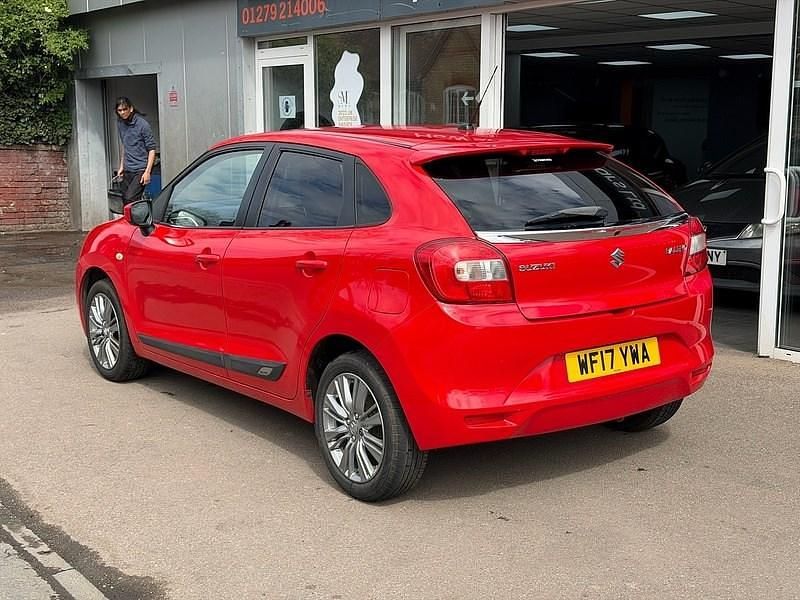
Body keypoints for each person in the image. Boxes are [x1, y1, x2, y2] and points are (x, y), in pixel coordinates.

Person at [115, 97, 157, 204]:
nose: (123, 112)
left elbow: (152, 149)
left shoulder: (142, 125)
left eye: (125, 109)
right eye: (120, 110)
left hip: (141, 168)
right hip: (128, 167)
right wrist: (121, 166)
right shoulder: (120, 123)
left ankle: (137, 219)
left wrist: (147, 172)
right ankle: (130, 220)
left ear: (131, 109)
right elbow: (125, 145)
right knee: (124, 199)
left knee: (131, 198)